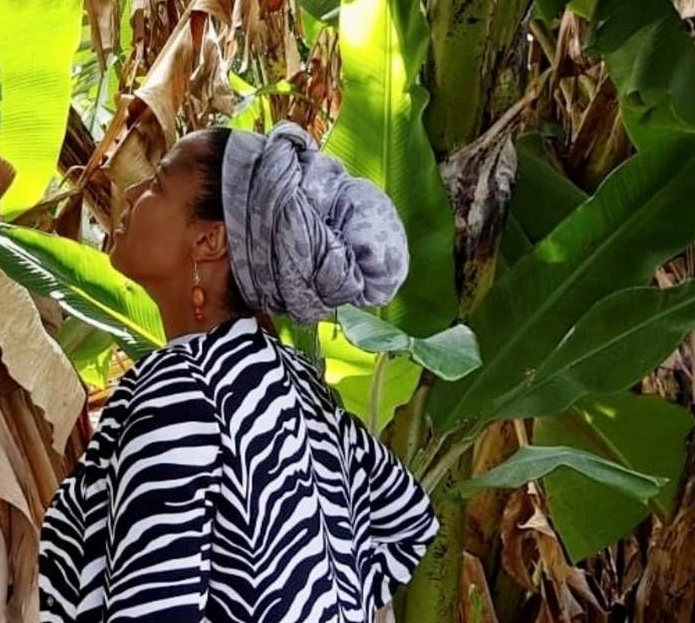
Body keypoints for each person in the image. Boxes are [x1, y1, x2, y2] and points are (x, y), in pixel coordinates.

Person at [38, 122, 439, 623]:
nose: (135, 191)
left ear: (209, 240)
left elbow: (154, 607)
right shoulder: (295, 381)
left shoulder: (181, 389)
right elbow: (406, 523)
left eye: (159, 185)